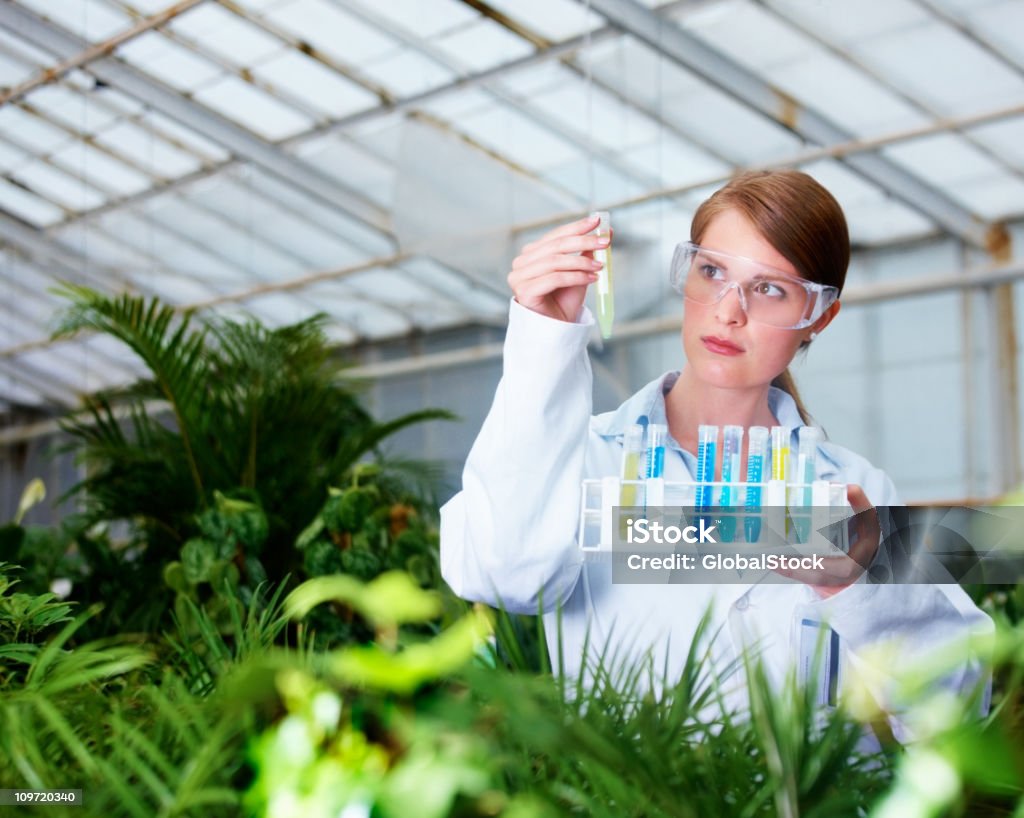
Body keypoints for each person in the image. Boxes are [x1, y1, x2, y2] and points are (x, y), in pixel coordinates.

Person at [440, 170, 991, 737]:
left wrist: (857, 586)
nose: (730, 311)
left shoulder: (854, 490)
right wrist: (543, 341)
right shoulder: (585, 462)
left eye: (769, 288)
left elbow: (958, 704)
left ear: (818, 318)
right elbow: (507, 574)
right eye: (712, 272)